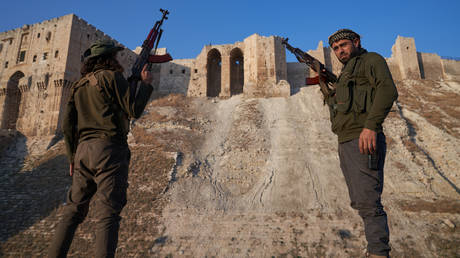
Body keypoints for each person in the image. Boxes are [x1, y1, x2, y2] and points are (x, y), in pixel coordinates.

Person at [49, 39, 153, 258]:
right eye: (114, 57)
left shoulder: (78, 86)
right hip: (108, 150)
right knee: (107, 215)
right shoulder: (111, 77)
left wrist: (71, 157)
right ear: (108, 59)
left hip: (82, 153)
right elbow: (133, 110)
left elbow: (68, 126)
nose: (117, 60)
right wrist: (144, 85)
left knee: (72, 212)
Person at [327, 29, 398, 258]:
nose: (340, 51)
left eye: (344, 45)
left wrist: (371, 126)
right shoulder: (346, 72)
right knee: (359, 200)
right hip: (346, 140)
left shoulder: (371, 60)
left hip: (363, 138)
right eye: (336, 49)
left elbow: (387, 90)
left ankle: (379, 253)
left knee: (368, 200)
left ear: (356, 42)